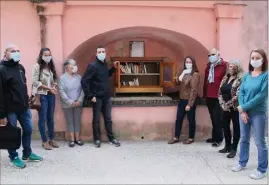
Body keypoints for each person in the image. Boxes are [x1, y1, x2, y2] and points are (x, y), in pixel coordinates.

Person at [0, 44, 43, 168]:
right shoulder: (2, 69)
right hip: (10, 109)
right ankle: (13, 156)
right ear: (6, 53)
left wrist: (28, 100)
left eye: (18, 50)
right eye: (13, 51)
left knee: (28, 129)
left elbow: (22, 86)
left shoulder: (20, 67)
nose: (16, 53)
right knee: (11, 133)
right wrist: (2, 114)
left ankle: (27, 153)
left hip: (23, 107)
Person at [232, 49, 268, 180]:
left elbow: (261, 96)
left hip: (258, 113)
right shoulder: (247, 75)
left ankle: (262, 169)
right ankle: (242, 162)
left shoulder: (266, 76)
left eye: (257, 57)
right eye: (252, 57)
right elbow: (241, 92)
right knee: (244, 139)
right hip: (244, 113)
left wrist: (244, 107)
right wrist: (243, 110)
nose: (254, 60)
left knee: (260, 142)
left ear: (263, 60)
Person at [81, 46, 120, 148]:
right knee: (96, 119)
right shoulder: (92, 66)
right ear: (96, 54)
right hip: (97, 98)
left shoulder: (104, 64)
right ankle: (97, 139)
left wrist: (113, 69)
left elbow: (105, 75)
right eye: (100, 52)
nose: (102, 53)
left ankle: (111, 138)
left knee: (108, 119)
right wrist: (90, 96)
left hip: (106, 97)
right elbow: (84, 81)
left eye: (103, 51)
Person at [168, 56, 200, 145]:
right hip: (182, 100)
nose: (188, 64)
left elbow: (194, 90)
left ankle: (190, 138)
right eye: (186, 62)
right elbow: (180, 84)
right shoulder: (184, 73)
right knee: (178, 119)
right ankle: (176, 137)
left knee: (191, 120)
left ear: (193, 63)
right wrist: (177, 79)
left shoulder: (195, 74)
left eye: (190, 62)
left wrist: (189, 104)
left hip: (189, 100)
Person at [32, 48, 59, 150]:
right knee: (42, 118)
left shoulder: (50, 66)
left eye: (49, 55)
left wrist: (54, 85)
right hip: (42, 95)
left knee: (50, 118)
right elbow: (35, 82)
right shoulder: (37, 66)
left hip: (51, 95)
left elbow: (55, 77)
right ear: (41, 55)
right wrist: (48, 88)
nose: (48, 57)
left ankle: (51, 139)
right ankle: (44, 141)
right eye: (46, 55)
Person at [218, 59, 243, 158]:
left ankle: (233, 148)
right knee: (225, 126)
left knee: (236, 128)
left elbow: (238, 94)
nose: (231, 68)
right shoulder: (225, 77)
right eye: (230, 66)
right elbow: (219, 92)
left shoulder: (240, 79)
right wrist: (222, 104)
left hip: (234, 108)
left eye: (233, 66)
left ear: (237, 68)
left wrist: (227, 104)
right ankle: (227, 146)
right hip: (224, 107)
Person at [203, 48, 227, 147]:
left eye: (212, 54)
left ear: (218, 54)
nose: (210, 57)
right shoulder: (209, 67)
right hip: (209, 95)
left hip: (219, 96)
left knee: (218, 118)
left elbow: (226, 80)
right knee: (213, 118)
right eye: (209, 55)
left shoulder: (224, 65)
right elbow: (206, 81)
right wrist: (204, 94)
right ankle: (214, 137)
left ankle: (219, 139)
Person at [58, 59, 84, 147]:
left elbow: (83, 90)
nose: (75, 66)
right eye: (73, 65)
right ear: (67, 67)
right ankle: (72, 140)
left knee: (77, 120)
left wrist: (79, 100)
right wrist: (70, 102)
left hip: (78, 103)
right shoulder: (62, 78)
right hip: (67, 103)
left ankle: (78, 139)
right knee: (70, 121)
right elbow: (61, 92)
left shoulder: (79, 77)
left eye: (75, 64)